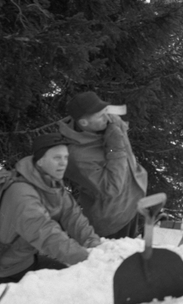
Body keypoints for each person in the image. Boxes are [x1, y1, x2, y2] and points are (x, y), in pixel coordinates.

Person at [0, 133, 102, 285]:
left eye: (65, 157)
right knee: (66, 288)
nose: (63, 163)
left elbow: (72, 215)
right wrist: (86, 258)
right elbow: (44, 232)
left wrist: (92, 242)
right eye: (57, 158)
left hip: (27, 256)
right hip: (9, 268)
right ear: (40, 161)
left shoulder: (50, 183)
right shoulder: (21, 193)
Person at [58, 92, 149, 238]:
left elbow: (116, 121)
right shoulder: (78, 156)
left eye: (106, 112)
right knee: (117, 258)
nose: (108, 118)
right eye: (101, 116)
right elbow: (111, 188)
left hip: (132, 202)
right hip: (113, 219)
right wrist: (115, 146)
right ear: (83, 123)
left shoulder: (103, 123)